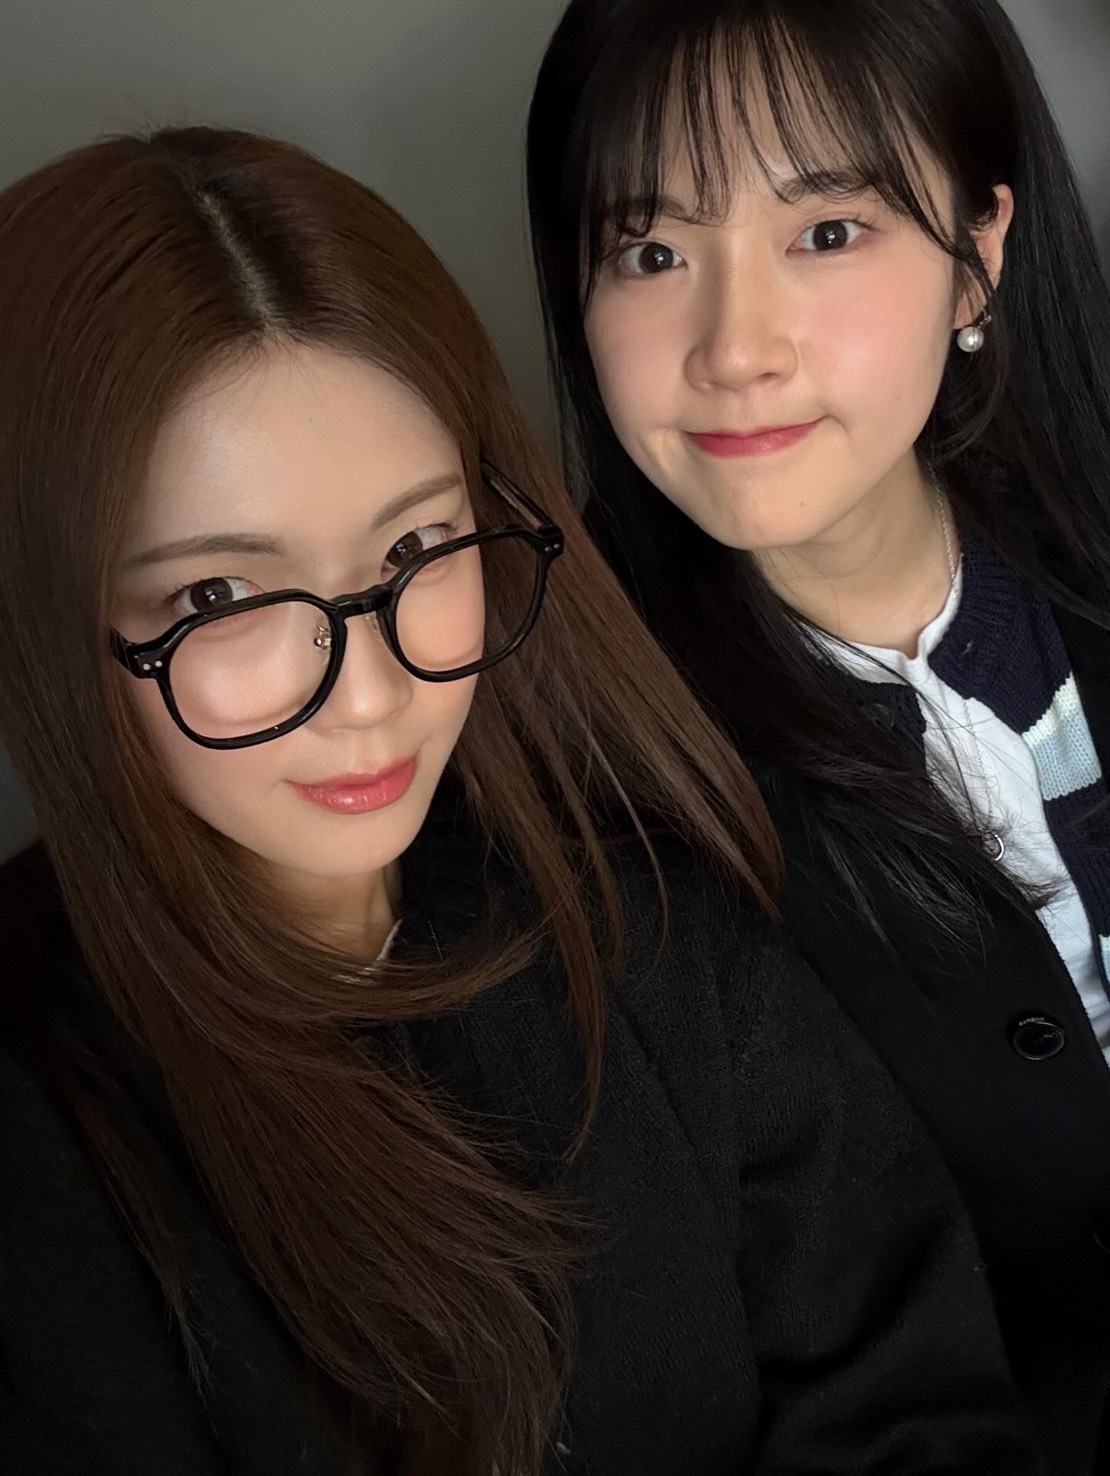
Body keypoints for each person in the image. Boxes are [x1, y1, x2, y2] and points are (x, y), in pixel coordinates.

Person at [0, 124, 1045, 1476]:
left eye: (416, 547)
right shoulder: (47, 1134)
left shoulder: (645, 929)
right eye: (220, 595)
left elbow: (912, 1396)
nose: (368, 691)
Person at [525, 1, 1110, 1472]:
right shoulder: (568, 793)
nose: (735, 348)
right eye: (649, 251)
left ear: (979, 252)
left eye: (827, 232)